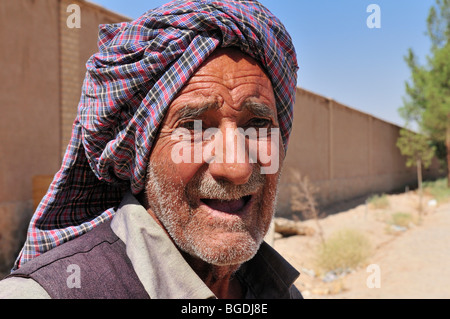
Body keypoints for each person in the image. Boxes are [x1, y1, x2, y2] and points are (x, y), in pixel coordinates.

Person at [0, 0, 301, 299]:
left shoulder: (282, 292)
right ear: (139, 153)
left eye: (258, 124)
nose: (237, 168)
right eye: (195, 126)